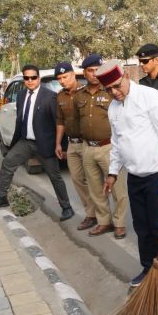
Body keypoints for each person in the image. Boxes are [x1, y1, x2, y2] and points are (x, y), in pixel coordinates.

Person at [97, 60, 158, 290]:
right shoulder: (113, 108)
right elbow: (117, 143)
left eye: (116, 86)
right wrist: (113, 173)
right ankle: (147, 268)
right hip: (134, 177)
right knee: (142, 227)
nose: (114, 92)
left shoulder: (150, 97)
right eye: (108, 90)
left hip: (157, 175)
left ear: (126, 77)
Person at [0, 64, 74, 222]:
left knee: (55, 176)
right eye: (27, 78)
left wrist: (62, 146)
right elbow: (20, 120)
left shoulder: (50, 96)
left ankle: (67, 207)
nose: (30, 80)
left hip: (44, 144)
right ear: (24, 79)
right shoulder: (22, 95)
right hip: (25, 142)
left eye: (33, 77)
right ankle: (1, 197)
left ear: (38, 78)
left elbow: (59, 123)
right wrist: (14, 143)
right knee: (8, 163)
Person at [75, 54, 129, 239]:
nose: (94, 75)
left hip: (109, 147)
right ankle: (104, 221)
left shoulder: (111, 92)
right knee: (96, 189)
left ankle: (120, 223)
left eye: (97, 71)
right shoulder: (79, 95)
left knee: (117, 189)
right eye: (90, 71)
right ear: (84, 73)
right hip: (88, 148)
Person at [53, 62, 96, 231]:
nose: (62, 81)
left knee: (94, 181)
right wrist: (58, 143)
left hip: (87, 143)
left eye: (65, 77)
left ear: (74, 74)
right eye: (59, 79)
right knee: (78, 180)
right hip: (72, 144)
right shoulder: (60, 96)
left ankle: (102, 216)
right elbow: (60, 121)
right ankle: (90, 214)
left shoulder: (86, 92)